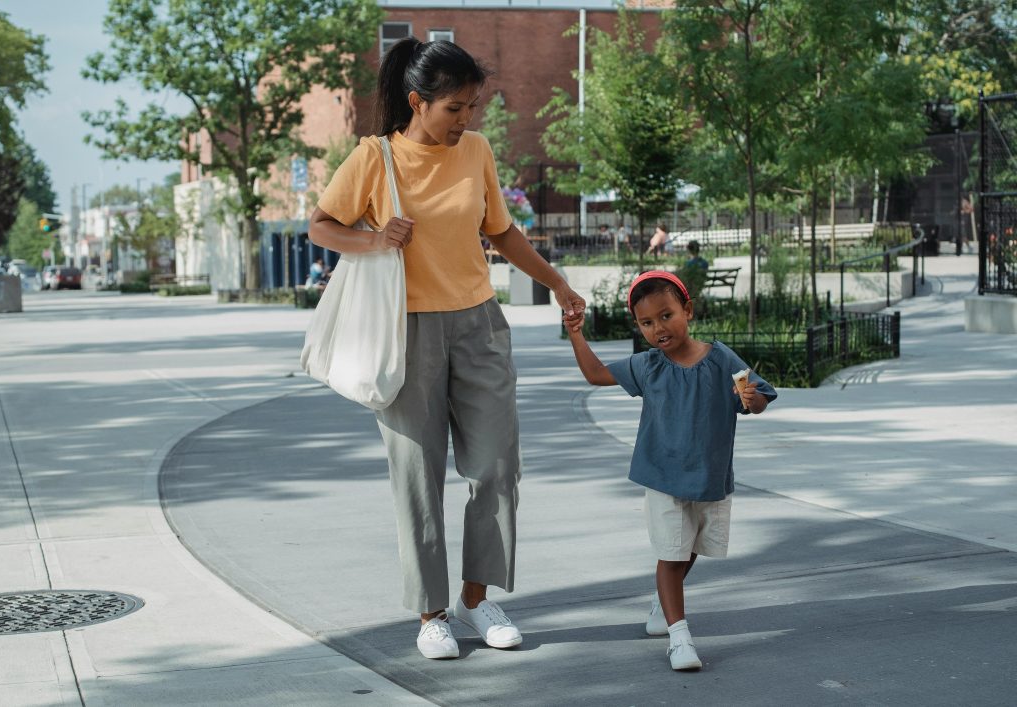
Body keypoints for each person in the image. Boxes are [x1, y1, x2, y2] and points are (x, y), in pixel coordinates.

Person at [307, 38, 585, 660]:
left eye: (472, 107)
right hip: (405, 332)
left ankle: (476, 597)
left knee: (495, 467)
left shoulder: (477, 152)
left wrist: (558, 282)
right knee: (418, 474)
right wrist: (378, 239)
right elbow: (321, 226)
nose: (466, 120)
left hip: (479, 325)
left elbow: (502, 232)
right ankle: (432, 613)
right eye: (455, 108)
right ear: (417, 102)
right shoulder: (374, 158)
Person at [564, 271, 776, 671]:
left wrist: (751, 399)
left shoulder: (721, 359)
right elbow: (595, 374)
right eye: (647, 322)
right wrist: (576, 333)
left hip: (709, 476)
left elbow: (758, 396)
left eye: (666, 316)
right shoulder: (648, 366)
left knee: (688, 549)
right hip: (662, 476)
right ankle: (680, 638)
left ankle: (664, 602)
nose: (658, 328)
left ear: (687, 311)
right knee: (671, 554)